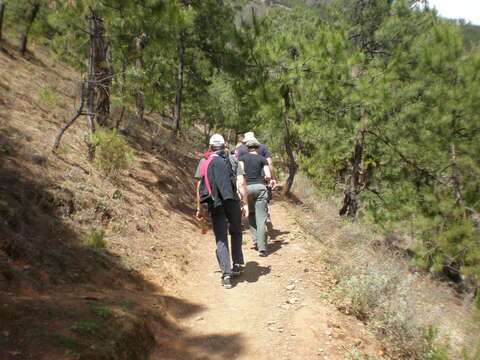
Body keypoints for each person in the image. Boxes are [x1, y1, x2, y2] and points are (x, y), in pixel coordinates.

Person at [194, 134, 249, 289]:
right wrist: (244, 204)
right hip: (231, 200)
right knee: (236, 231)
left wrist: (199, 207)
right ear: (225, 145)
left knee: (221, 237)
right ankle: (237, 264)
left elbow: (200, 186)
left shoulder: (204, 161)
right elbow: (241, 182)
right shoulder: (232, 158)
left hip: (215, 203)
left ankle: (226, 274)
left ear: (210, 146)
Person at [238, 138, 273, 257]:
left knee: (251, 215)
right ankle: (262, 248)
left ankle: (256, 241)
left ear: (247, 148)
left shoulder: (242, 158)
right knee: (261, 218)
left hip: (247, 188)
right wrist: (266, 179)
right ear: (257, 148)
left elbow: (240, 173)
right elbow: (268, 175)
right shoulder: (262, 159)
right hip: (260, 188)